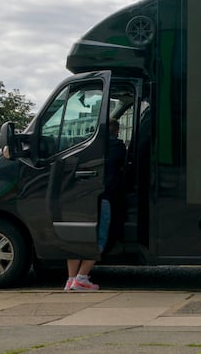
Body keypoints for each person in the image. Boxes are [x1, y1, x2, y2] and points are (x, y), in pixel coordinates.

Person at [64, 119, 126, 291]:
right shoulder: (118, 148)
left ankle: (70, 280)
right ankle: (82, 278)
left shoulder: (85, 147)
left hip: (83, 196)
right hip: (106, 195)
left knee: (78, 237)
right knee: (101, 237)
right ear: (116, 131)